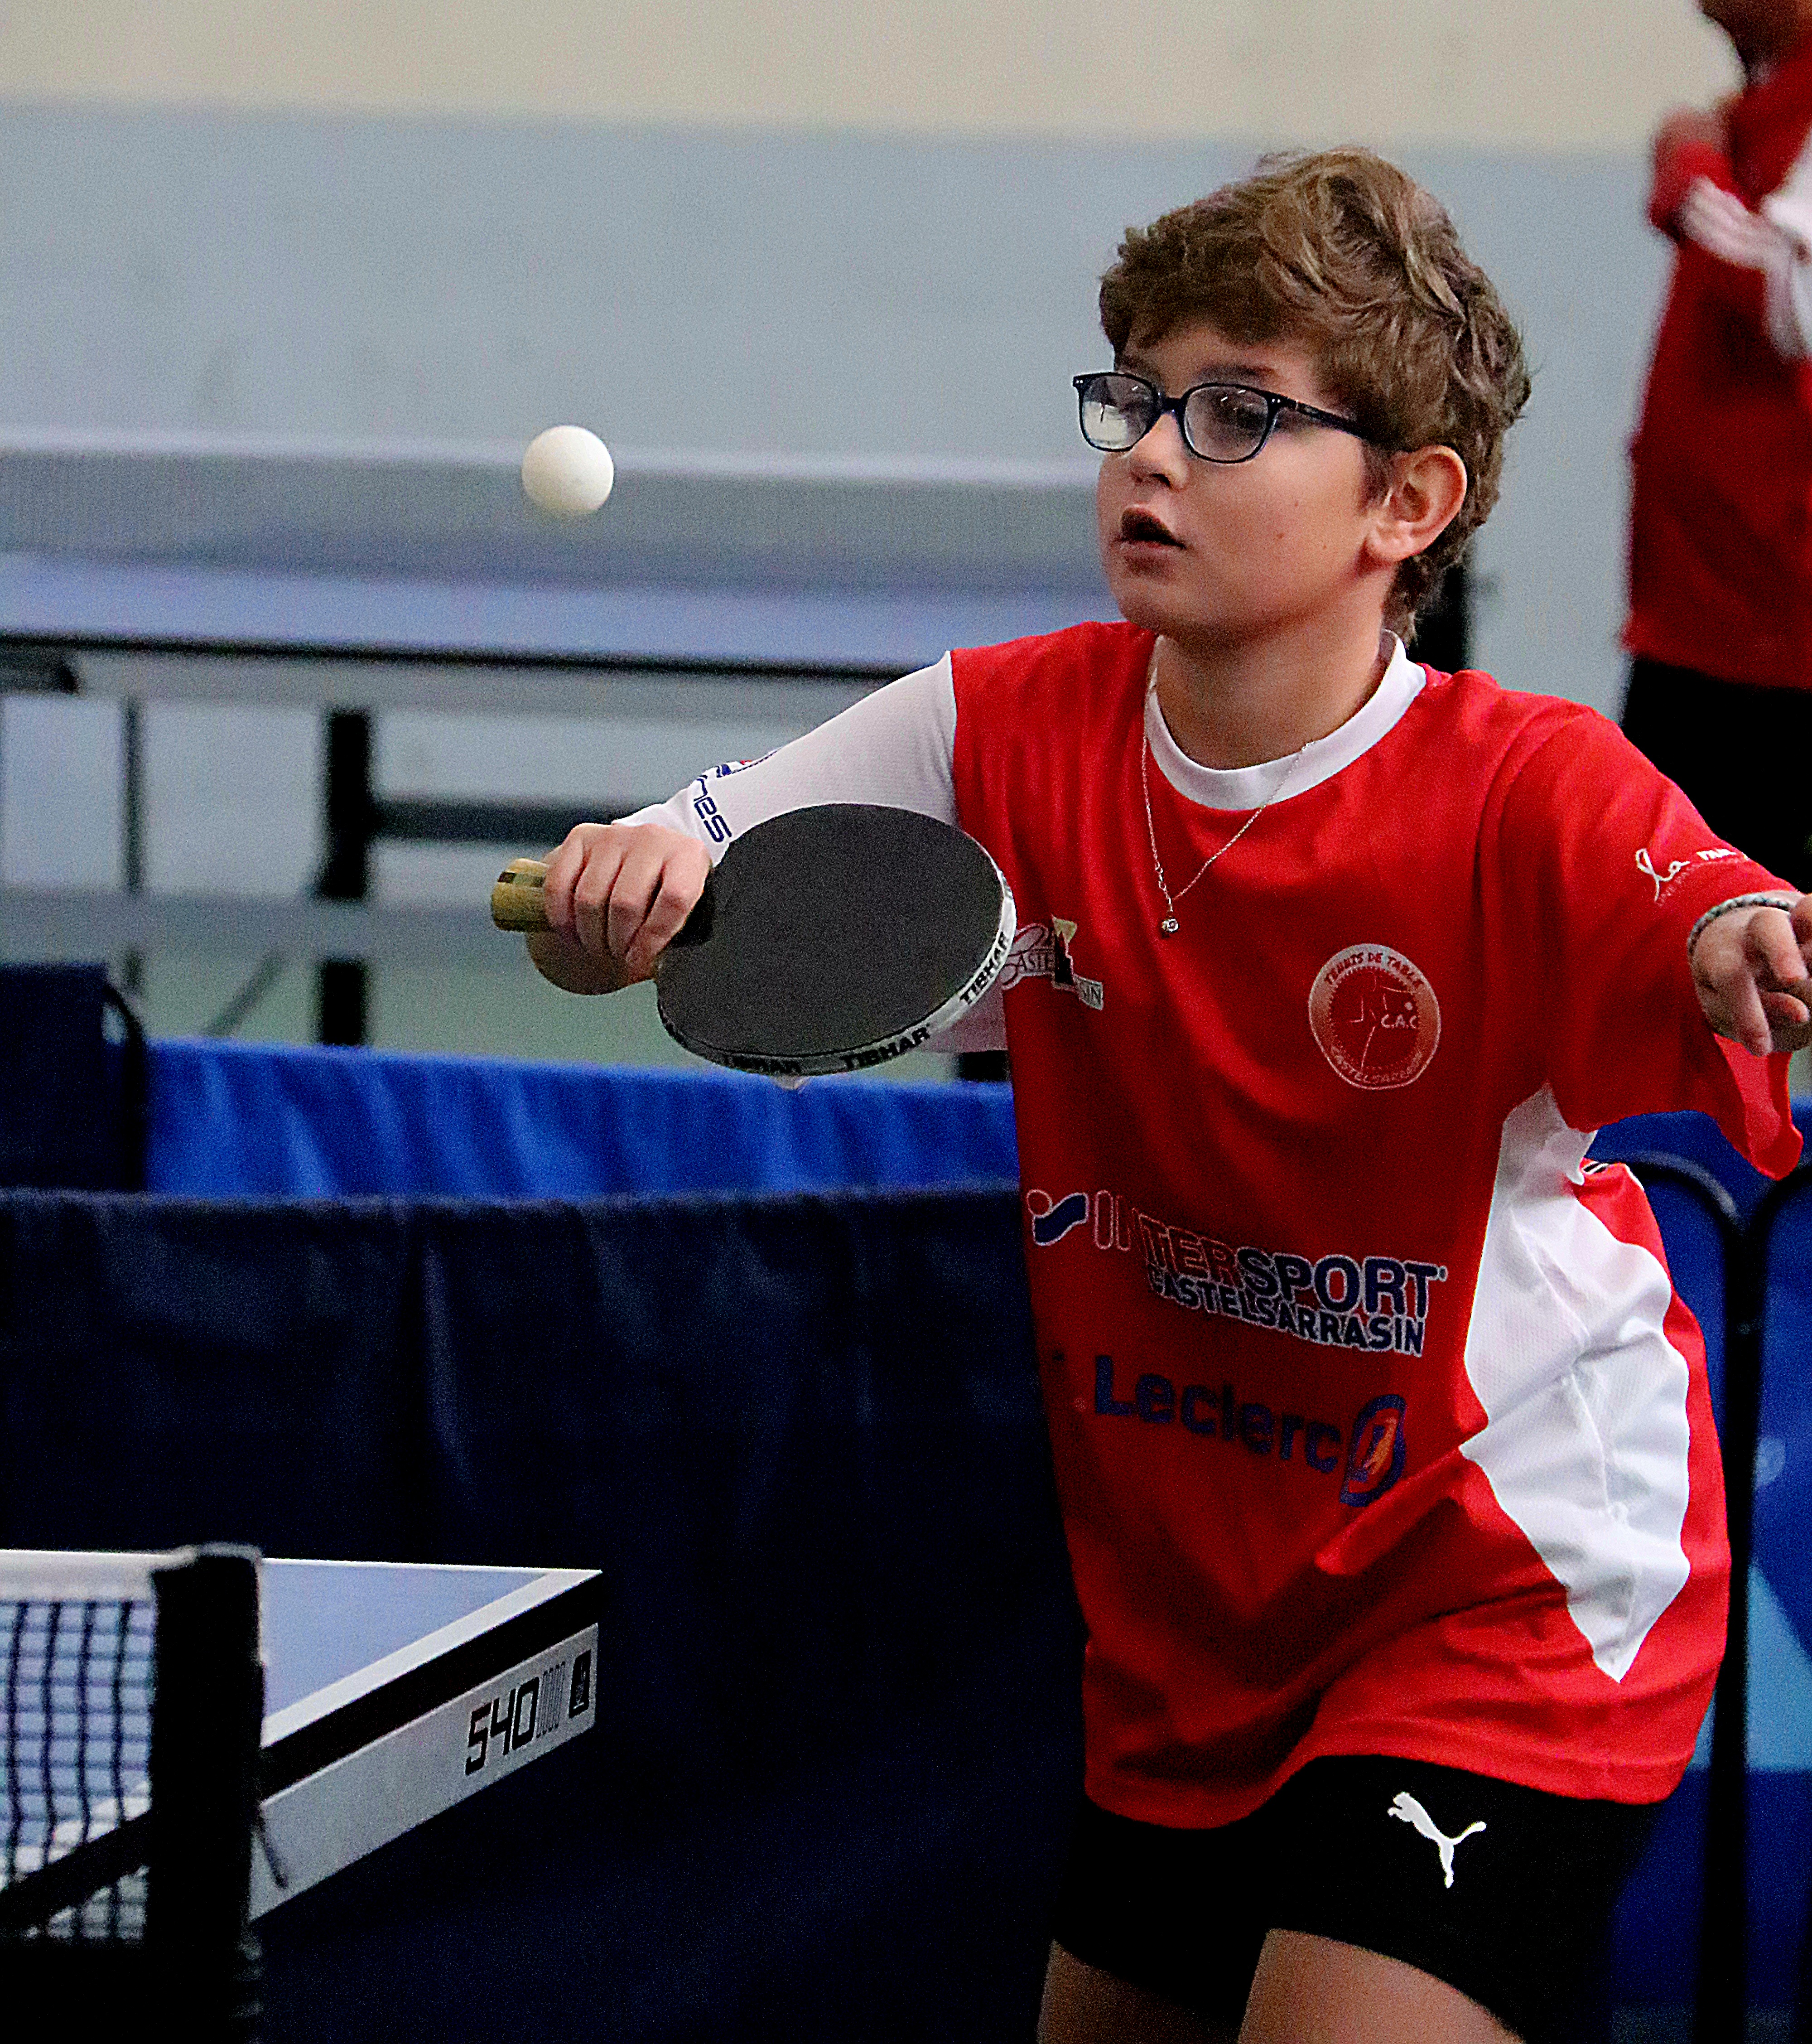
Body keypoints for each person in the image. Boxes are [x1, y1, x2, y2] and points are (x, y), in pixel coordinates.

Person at [525, 150, 1812, 2043]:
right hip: (1195, 1614)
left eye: (1233, 416)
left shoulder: (1523, 784)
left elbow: (1706, 908)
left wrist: (1746, 945)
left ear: (1406, 501)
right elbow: (660, 891)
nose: (1147, 456)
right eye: (1129, 399)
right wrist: (601, 900)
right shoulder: (995, 728)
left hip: (1502, 1577)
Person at [1623, 0, 1812, 886]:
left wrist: (1688, 168)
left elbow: (1793, 301)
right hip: (1711, 604)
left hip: (1768, 630)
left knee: (1717, 911)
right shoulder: (1765, 100)